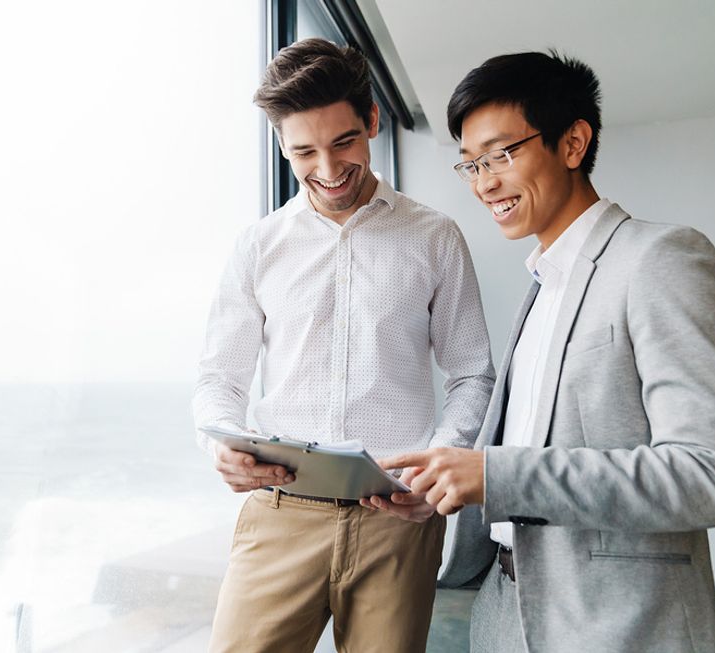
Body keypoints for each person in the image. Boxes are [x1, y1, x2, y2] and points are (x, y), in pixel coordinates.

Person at [377, 52, 715, 652]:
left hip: (616, 625)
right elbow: (527, 456)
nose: (485, 183)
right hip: (505, 613)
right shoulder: (542, 284)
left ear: (573, 142)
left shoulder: (661, 260)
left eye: (502, 155)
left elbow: (714, 474)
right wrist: (447, 488)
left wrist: (497, 474)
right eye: (471, 164)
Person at [192, 38, 495, 652]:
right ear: (282, 146)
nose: (328, 171)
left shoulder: (435, 237)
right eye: (304, 151)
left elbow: (473, 375)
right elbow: (219, 379)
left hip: (397, 522)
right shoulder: (257, 246)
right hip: (280, 515)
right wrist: (220, 440)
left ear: (373, 122)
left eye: (343, 143)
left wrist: (438, 467)